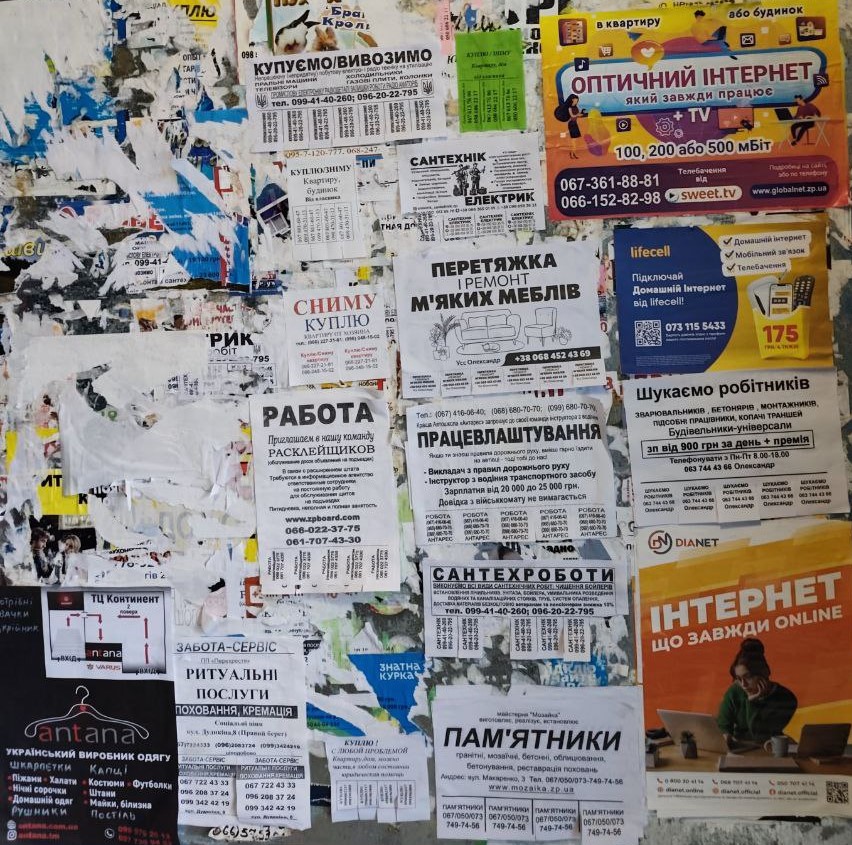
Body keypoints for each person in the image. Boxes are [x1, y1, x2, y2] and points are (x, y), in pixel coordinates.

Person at [717, 638, 797, 745]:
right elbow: (722, 726)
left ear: (764, 672)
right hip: (739, 748)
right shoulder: (734, 691)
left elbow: (760, 736)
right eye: (739, 679)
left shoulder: (786, 698)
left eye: (748, 677)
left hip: (768, 748)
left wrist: (753, 702)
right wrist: (725, 735)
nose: (743, 684)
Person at [554, 94, 587, 158]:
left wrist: (582, 113)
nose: (576, 102)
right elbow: (572, 115)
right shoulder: (569, 108)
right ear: (572, 100)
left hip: (575, 123)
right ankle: (573, 154)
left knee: (575, 140)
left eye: (577, 101)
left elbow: (577, 115)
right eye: (575, 100)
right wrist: (577, 115)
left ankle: (572, 153)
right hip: (572, 124)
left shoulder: (576, 107)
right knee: (573, 141)